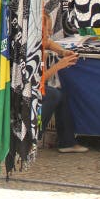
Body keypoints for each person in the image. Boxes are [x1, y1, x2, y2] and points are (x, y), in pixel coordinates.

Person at [40, 12, 88, 153]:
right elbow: (37, 81)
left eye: (49, 30)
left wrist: (62, 52)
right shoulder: (30, 48)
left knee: (61, 94)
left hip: (36, 88)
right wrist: (59, 65)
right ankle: (33, 133)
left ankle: (67, 142)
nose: (49, 34)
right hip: (26, 92)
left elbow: (48, 43)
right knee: (54, 94)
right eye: (46, 31)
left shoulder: (42, 41)